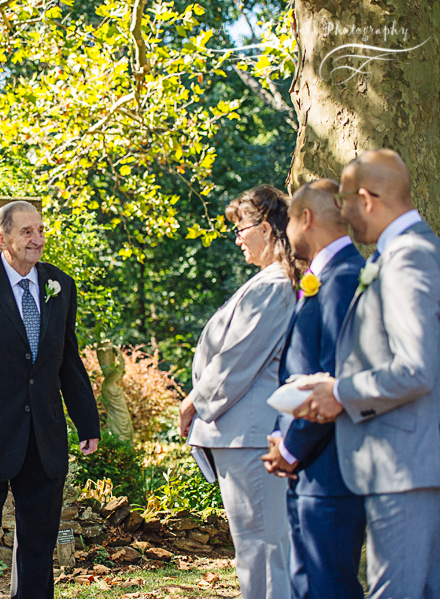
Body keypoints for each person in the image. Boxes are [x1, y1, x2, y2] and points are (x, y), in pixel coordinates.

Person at [294, 149, 440, 598]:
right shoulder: (410, 249)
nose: (340, 214)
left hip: (405, 461)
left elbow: (413, 368)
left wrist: (339, 391)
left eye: (343, 201)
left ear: (365, 198)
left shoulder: (407, 258)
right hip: (410, 460)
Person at [0, 200, 100, 599]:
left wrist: (86, 420)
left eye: (41, 230)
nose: (38, 239)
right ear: (1, 238)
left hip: (43, 433)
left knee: (39, 541)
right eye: (27, 231)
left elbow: (67, 358)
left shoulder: (60, 285)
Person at [178, 185, 299, 599]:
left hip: (250, 434)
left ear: (266, 228)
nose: (237, 237)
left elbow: (238, 359)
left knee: (262, 546)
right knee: (255, 546)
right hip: (242, 433)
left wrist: (194, 401)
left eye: (241, 228)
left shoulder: (275, 285)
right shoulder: (269, 282)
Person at [260, 179, 366, 599]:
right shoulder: (326, 277)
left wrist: (290, 448)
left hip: (332, 467)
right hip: (310, 464)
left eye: (288, 220)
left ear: (306, 218)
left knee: (329, 586)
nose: (285, 231)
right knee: (309, 585)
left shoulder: (344, 278)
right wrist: (280, 436)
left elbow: (332, 376)